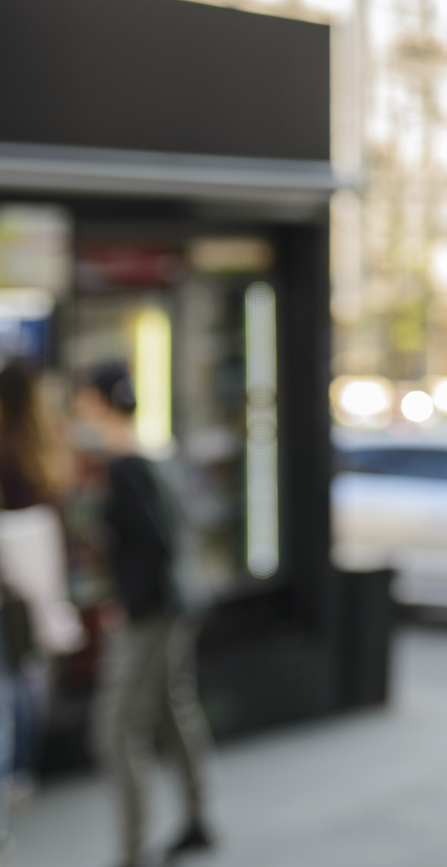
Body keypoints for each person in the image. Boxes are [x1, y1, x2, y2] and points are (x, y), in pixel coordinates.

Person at [77, 366, 214, 867]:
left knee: (115, 730)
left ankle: (130, 853)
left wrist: (124, 604)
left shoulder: (123, 465)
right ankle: (197, 818)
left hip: (149, 611)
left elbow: (148, 543)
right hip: (175, 603)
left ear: (96, 400)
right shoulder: (152, 451)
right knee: (172, 706)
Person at [0, 357, 81, 822]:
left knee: (11, 680)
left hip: (12, 580)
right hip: (44, 576)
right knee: (30, 677)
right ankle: (24, 772)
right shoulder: (48, 440)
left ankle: (12, 774)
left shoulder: (6, 444)